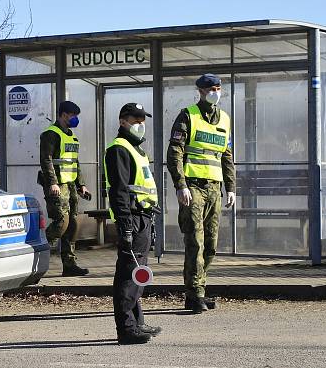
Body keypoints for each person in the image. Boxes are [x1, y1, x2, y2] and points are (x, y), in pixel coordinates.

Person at [166, 74, 236, 314]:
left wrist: (231, 188)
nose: (216, 92)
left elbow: (226, 156)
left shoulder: (225, 119)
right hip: (193, 187)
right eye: (211, 88)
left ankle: (198, 289)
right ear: (200, 91)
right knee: (194, 242)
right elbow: (175, 152)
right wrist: (180, 185)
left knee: (211, 244)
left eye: (218, 88)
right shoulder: (188, 115)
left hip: (215, 189)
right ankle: (195, 293)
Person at [104, 103, 162, 344]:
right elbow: (119, 191)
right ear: (122, 121)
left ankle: (137, 322)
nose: (140, 123)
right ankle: (126, 329)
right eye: (135, 119)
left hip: (144, 217)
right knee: (128, 275)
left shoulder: (138, 150)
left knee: (137, 275)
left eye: (142, 119)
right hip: (133, 218)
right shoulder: (119, 149)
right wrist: (125, 225)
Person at [39, 100, 90, 276]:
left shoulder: (71, 136)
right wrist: (52, 181)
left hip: (70, 186)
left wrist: (81, 184)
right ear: (63, 115)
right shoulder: (50, 134)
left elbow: (74, 163)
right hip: (57, 186)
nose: (75, 119)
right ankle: (36, 253)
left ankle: (69, 265)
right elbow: (46, 160)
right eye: (73, 115)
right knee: (61, 223)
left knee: (73, 225)